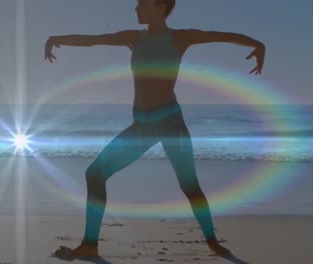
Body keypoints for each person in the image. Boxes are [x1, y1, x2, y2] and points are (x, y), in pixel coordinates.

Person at [44, 0, 265, 258]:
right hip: (142, 126)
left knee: (190, 186)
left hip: (171, 123)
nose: (136, 9)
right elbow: (93, 40)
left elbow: (223, 36)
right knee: (95, 174)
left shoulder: (182, 38)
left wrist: (258, 45)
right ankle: (90, 245)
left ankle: (213, 242)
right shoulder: (133, 38)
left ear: (160, 6)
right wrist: (56, 38)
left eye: (142, 4)